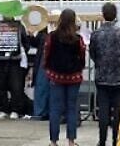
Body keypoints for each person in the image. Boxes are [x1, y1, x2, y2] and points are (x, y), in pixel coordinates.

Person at [89, 2, 120, 146]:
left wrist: (100, 64)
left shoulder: (96, 34)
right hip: (118, 77)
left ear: (102, 15)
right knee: (117, 111)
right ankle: (115, 139)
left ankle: (101, 141)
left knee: (103, 111)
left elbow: (93, 54)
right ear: (115, 15)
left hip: (101, 77)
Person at [43, 9, 86, 146]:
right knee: (71, 108)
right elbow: (82, 56)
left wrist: (47, 68)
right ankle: (71, 141)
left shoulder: (52, 36)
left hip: (56, 76)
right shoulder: (78, 39)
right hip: (74, 77)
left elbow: (46, 54)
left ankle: (53, 141)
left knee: (55, 109)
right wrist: (79, 68)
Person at [0, 16, 30, 120]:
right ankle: (3, 110)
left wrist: (18, 53)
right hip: (0, 61)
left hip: (15, 61)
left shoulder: (19, 26)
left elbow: (26, 42)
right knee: (1, 86)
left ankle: (15, 110)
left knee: (16, 87)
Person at [30, 27, 49, 120]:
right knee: (41, 86)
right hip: (43, 61)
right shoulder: (43, 32)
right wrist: (30, 35)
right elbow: (35, 43)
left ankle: (50, 111)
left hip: (53, 61)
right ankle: (40, 112)